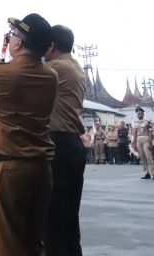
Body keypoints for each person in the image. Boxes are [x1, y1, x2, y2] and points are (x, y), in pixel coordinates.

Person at [0, 13, 58, 256]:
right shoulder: (50, 75)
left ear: (18, 43)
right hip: (40, 168)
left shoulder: (2, 75)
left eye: (13, 35)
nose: (10, 38)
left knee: (7, 246)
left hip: (9, 169)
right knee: (32, 243)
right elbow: (9, 82)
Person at [42, 24, 86, 256]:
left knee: (53, 215)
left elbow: (21, 74)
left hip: (58, 143)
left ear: (51, 45)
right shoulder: (73, 65)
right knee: (67, 215)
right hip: (69, 144)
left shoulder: (54, 67)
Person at [132, 107, 154, 180]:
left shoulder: (147, 121)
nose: (139, 115)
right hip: (138, 139)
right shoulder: (135, 122)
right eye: (138, 114)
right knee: (142, 158)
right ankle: (147, 173)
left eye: (140, 113)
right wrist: (134, 142)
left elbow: (151, 131)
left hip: (146, 138)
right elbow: (135, 132)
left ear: (143, 114)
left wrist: (151, 141)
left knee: (149, 157)